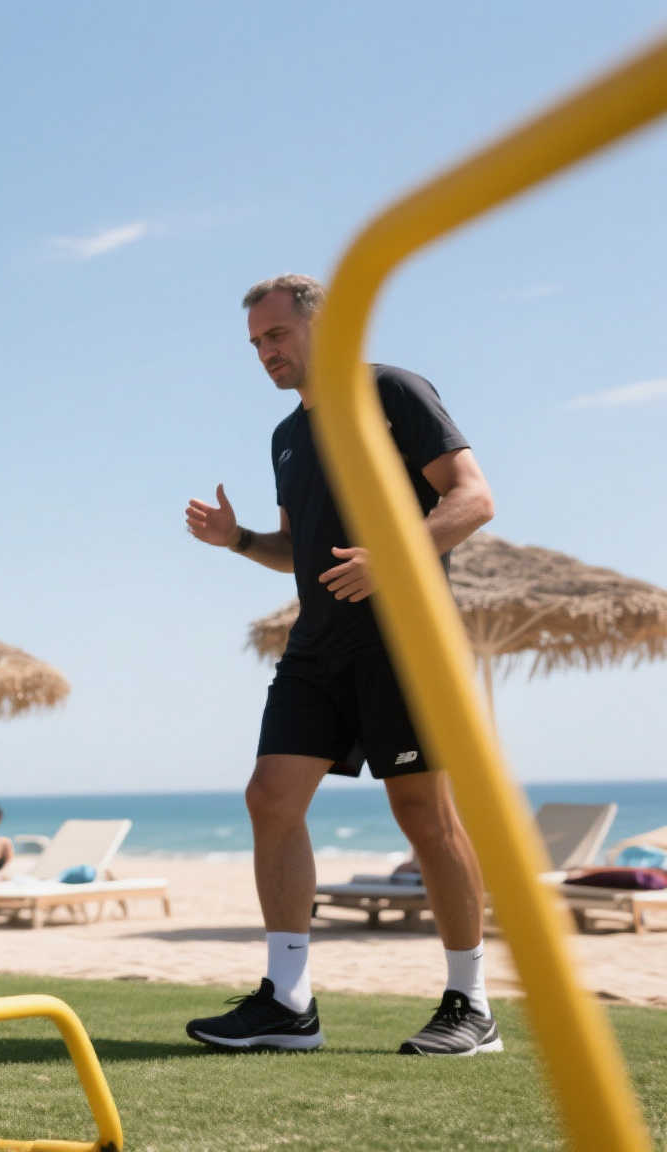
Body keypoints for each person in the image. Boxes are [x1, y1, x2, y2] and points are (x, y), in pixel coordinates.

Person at [182, 274, 499, 1056]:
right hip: (317, 647)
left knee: (423, 813)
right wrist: (239, 540)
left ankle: (472, 1004)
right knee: (270, 797)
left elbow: (472, 498)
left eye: (276, 335)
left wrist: (394, 555)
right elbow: (298, 549)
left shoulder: (393, 392)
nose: (266, 353)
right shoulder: (286, 437)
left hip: (405, 639)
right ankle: (289, 1004)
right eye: (256, 343)